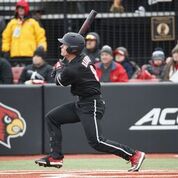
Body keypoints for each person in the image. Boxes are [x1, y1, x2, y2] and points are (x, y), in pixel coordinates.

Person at [35, 32, 145, 172]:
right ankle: (56, 157)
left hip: (91, 105)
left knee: (96, 141)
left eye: (65, 44)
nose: (61, 46)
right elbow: (70, 64)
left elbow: (59, 82)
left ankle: (134, 155)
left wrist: (57, 69)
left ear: (72, 49)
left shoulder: (74, 69)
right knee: (52, 117)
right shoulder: (81, 56)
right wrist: (63, 65)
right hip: (82, 103)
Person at [2, 0, 47, 66]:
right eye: (18, 7)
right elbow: (6, 37)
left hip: (30, 55)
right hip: (15, 56)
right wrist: (6, 50)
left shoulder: (33, 23)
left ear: (26, 9)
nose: (20, 9)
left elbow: (40, 37)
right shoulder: (12, 23)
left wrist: (41, 48)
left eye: (22, 7)